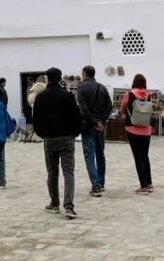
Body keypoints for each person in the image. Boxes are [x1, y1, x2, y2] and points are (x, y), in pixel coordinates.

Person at [32, 67, 82, 219]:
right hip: (67, 138)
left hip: (50, 139)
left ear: (47, 79)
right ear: (60, 78)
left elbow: (36, 121)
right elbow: (77, 116)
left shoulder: (41, 97)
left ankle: (54, 203)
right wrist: (75, 133)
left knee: (52, 173)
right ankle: (69, 206)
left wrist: (43, 134)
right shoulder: (67, 95)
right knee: (68, 172)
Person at [76, 65, 112, 197]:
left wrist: (94, 122)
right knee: (100, 154)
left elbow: (83, 109)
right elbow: (109, 105)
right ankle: (101, 183)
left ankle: (95, 185)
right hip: (100, 127)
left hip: (88, 126)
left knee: (89, 155)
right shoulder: (102, 87)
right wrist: (102, 121)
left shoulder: (81, 88)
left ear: (85, 74)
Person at [121, 73, 153, 194]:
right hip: (146, 130)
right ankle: (149, 183)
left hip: (132, 129)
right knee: (145, 157)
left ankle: (143, 186)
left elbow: (122, 109)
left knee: (138, 157)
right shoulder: (148, 96)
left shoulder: (129, 94)